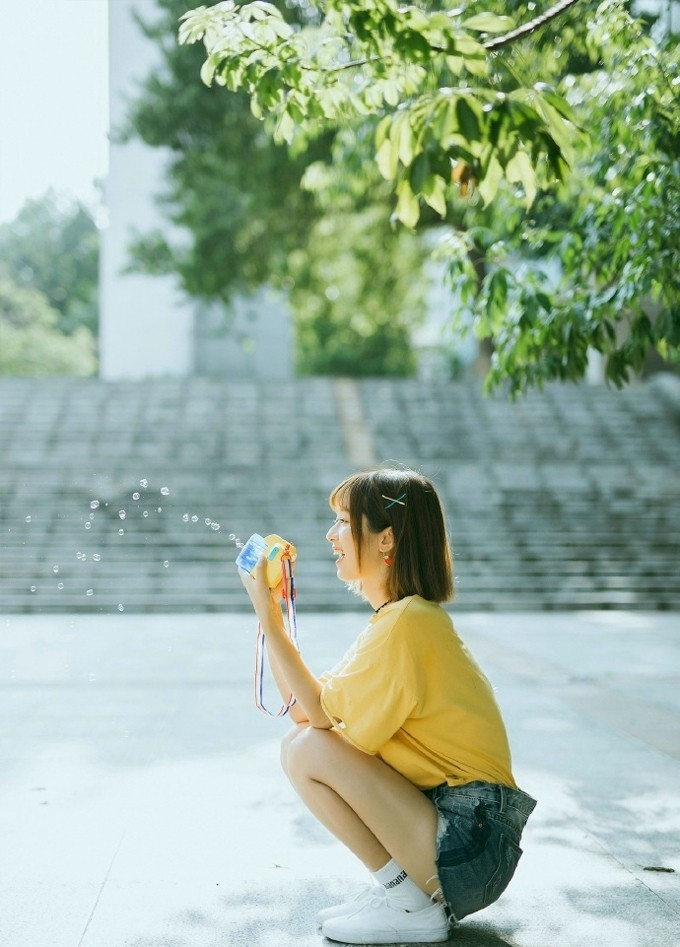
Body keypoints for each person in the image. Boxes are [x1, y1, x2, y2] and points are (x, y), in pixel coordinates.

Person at [238, 467, 536, 945]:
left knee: (308, 749)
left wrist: (268, 617)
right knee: (302, 744)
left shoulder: (408, 624)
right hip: (463, 836)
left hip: (472, 843)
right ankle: (403, 895)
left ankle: (410, 903)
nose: (330, 534)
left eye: (342, 520)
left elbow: (316, 719)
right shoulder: (398, 621)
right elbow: (303, 709)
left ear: (385, 539)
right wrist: (272, 614)